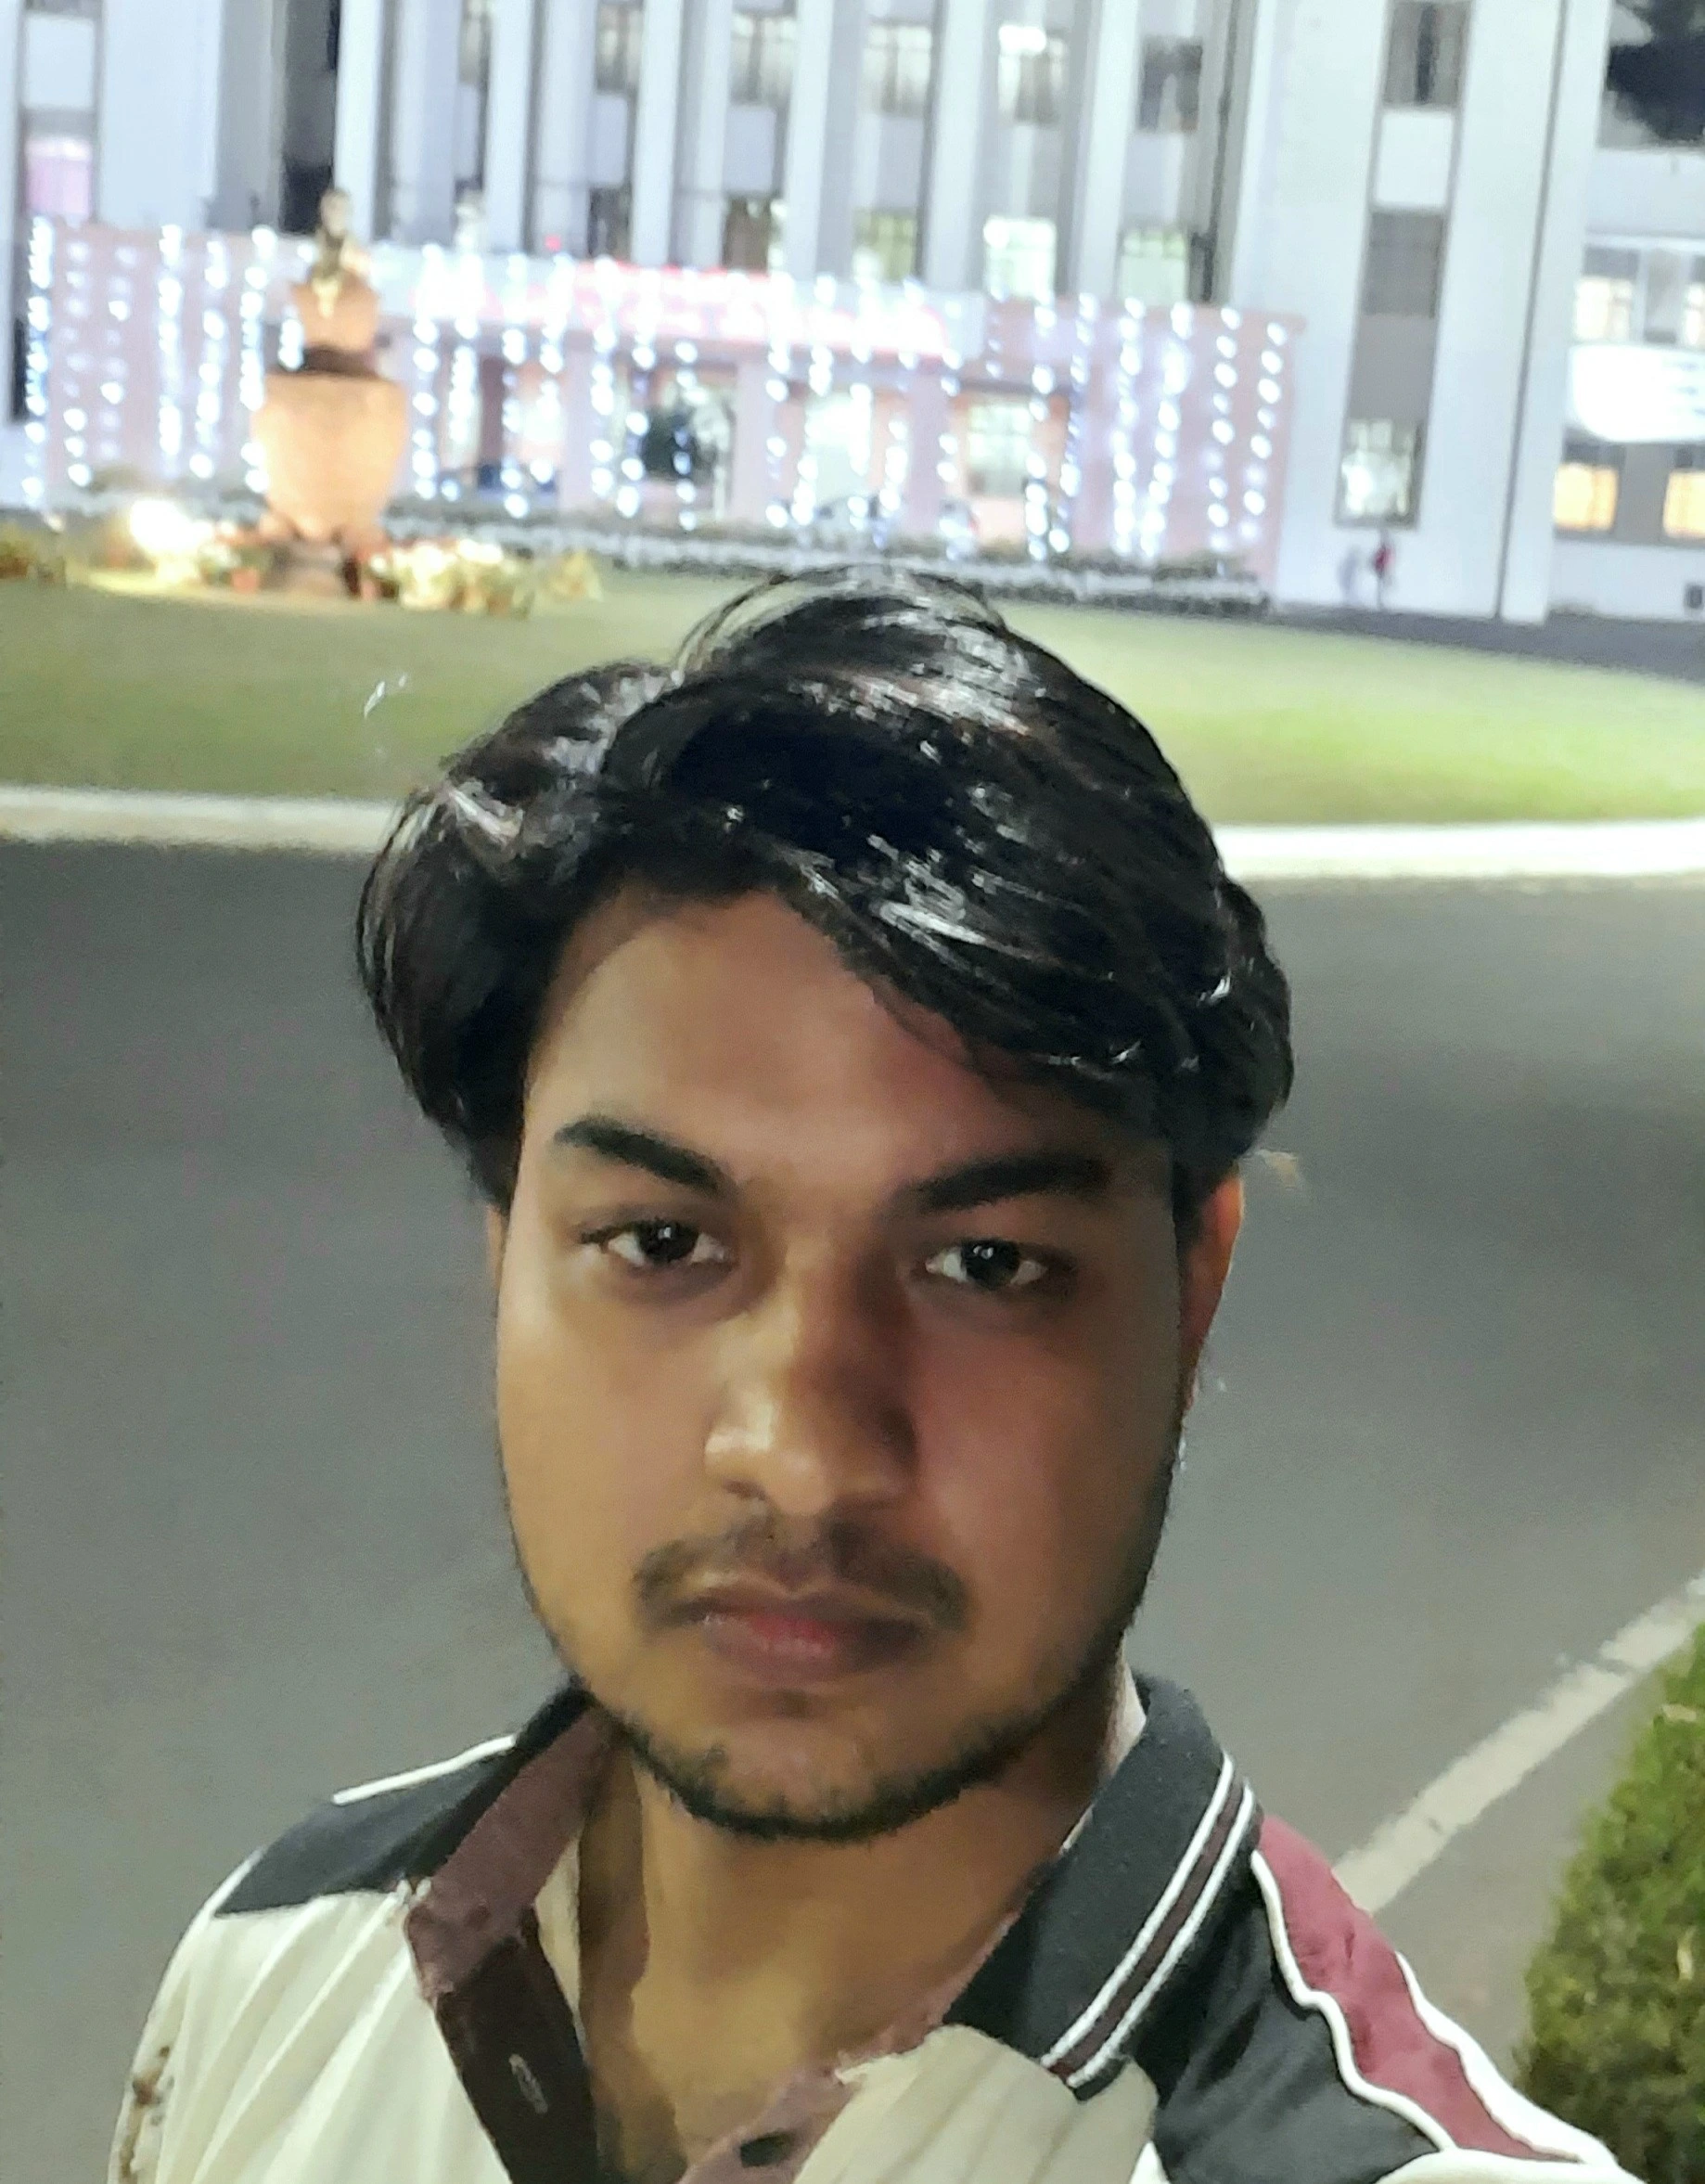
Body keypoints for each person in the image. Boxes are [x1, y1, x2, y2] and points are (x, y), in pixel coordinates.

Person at [109, 576, 1635, 2184]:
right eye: (659, 1241)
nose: (800, 1451)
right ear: (504, 1255)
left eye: (983, 1264)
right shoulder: (270, 1974)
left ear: (1191, 1291)